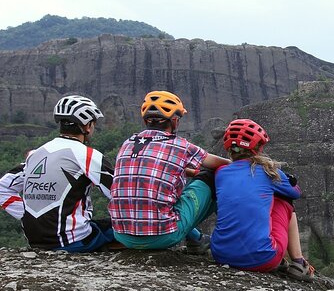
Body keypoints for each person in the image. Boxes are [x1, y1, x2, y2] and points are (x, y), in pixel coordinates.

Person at [108, 90, 230, 253]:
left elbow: (150, 167)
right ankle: (226, 240)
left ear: (146, 121)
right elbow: (220, 163)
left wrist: (187, 172)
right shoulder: (180, 145)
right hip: (163, 237)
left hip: (123, 236)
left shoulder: (128, 143)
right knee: (210, 177)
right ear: (174, 120)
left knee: (164, 198)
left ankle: (197, 239)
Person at [211, 118, 314, 281]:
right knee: (285, 201)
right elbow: (295, 193)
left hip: (221, 255)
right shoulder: (268, 171)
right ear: (258, 147)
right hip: (262, 259)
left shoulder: (221, 172)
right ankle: (299, 262)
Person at [20, 95, 116, 252]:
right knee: (126, 228)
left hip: (34, 240)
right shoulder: (87, 155)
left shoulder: (36, 153)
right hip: (71, 242)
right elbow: (120, 193)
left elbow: (4, 185)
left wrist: (24, 214)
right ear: (87, 126)